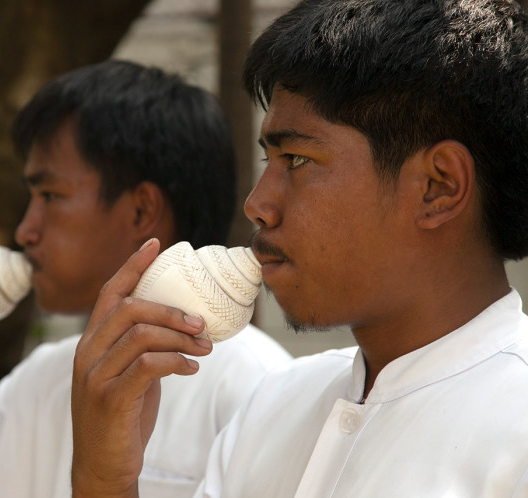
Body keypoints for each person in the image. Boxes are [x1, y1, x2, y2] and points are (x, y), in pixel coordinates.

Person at [69, 1, 528, 496]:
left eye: (298, 159)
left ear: (437, 187)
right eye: (270, 157)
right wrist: (103, 479)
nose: (258, 204)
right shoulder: (274, 406)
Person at [0, 60, 291, 498]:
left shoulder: (257, 387)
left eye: (50, 196)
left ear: (141, 210)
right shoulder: (36, 382)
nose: (25, 230)